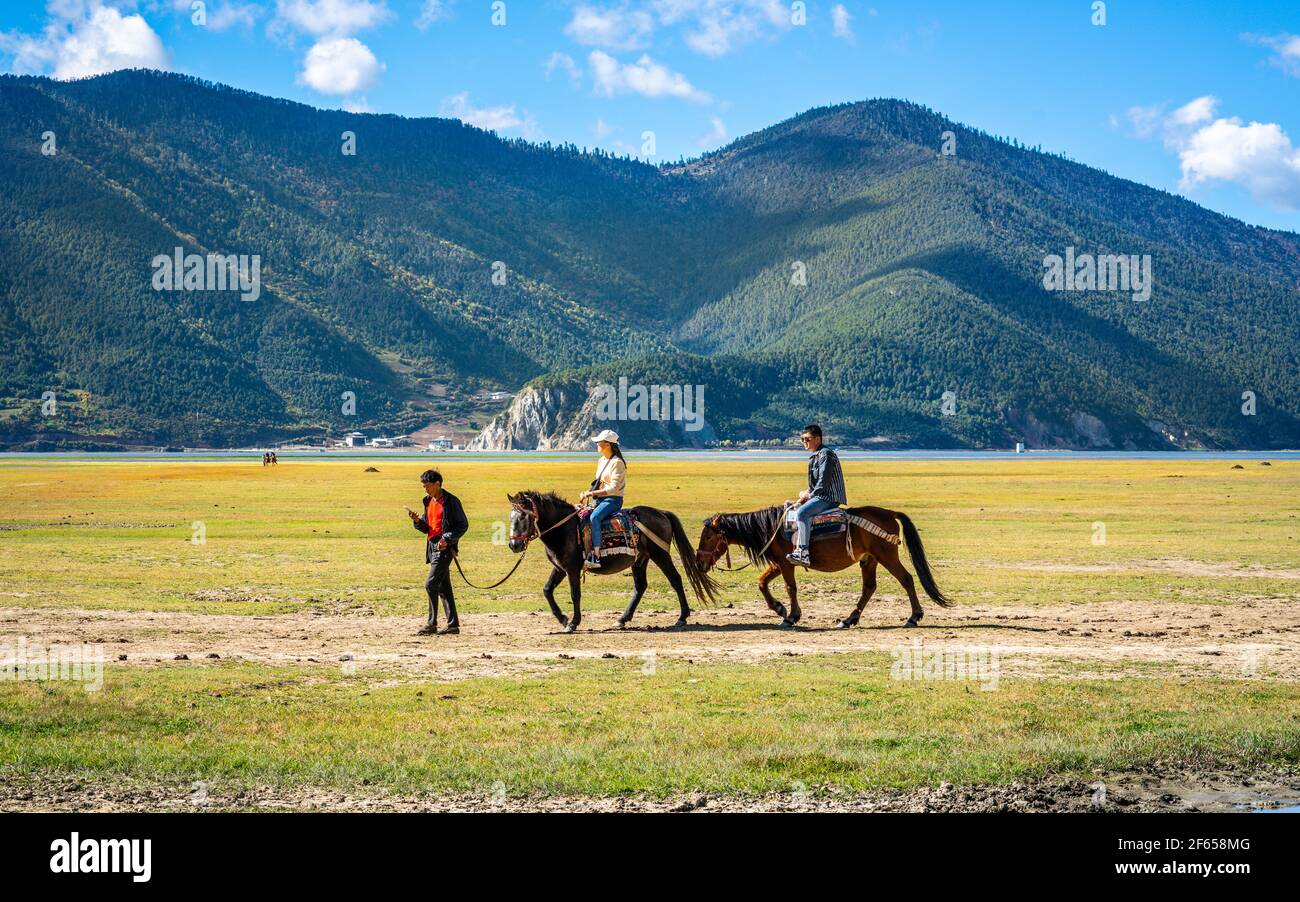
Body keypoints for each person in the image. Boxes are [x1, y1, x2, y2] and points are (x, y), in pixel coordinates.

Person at [405, 469, 469, 635]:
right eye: (423, 486)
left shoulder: (451, 501)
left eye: (427, 486)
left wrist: (446, 539)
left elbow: (462, 525)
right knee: (443, 586)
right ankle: (453, 625)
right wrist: (418, 521)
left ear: (437, 484)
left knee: (430, 583)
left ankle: (431, 624)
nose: (425, 489)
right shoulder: (428, 501)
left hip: (445, 548)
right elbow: (428, 527)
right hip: (432, 546)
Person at [787, 424, 847, 566]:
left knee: (802, 513)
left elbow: (823, 483)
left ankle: (803, 552)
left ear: (817, 439)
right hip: (821, 495)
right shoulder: (816, 456)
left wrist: (808, 496)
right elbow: (816, 485)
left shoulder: (825, 454)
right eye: (802, 439)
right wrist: (805, 493)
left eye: (807, 439)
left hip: (829, 497)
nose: (804, 442)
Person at [577, 429, 626, 569]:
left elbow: (614, 488)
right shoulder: (602, 460)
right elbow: (599, 483)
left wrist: (591, 494)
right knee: (580, 515)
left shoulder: (617, 463)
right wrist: (589, 493)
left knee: (594, 518)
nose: (597, 444)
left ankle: (596, 555)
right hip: (600, 500)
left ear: (608, 444)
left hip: (613, 500)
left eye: (599, 442)